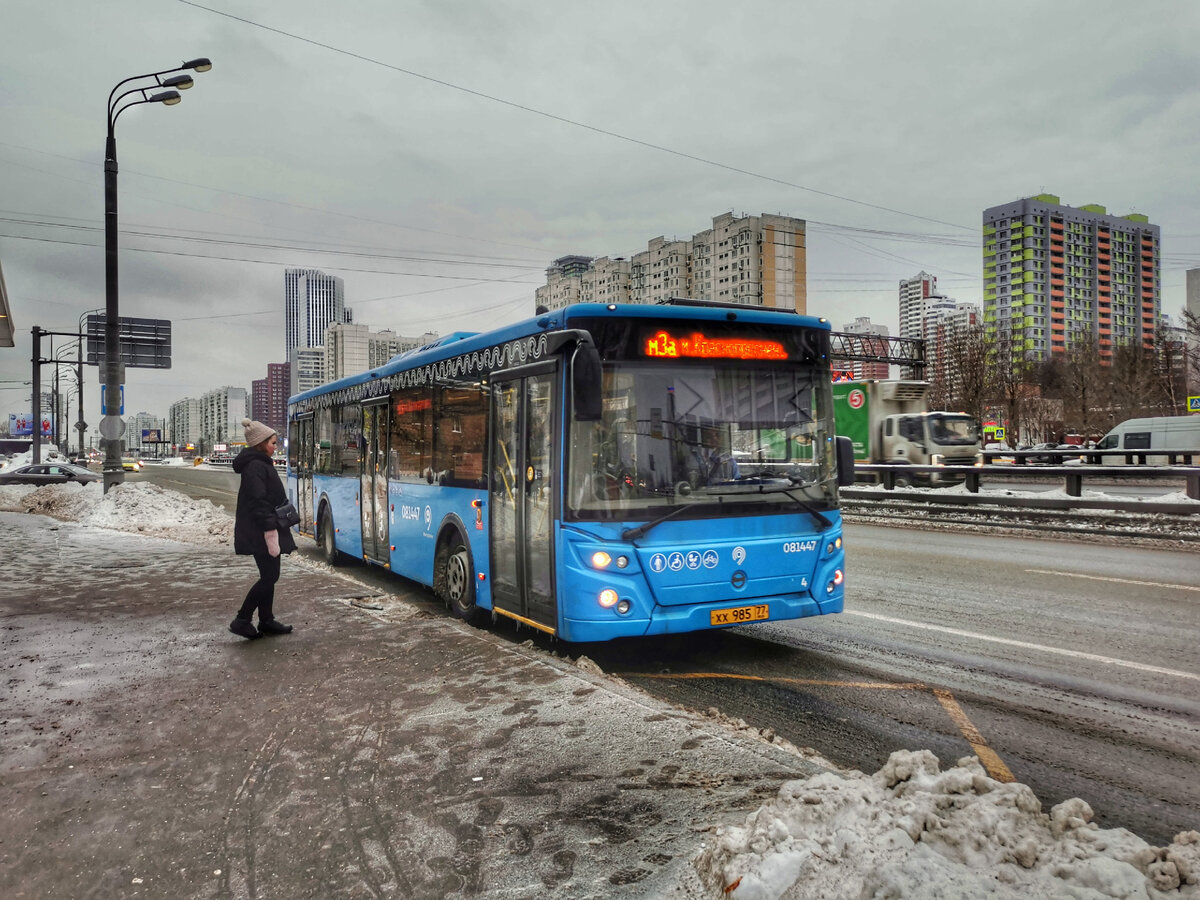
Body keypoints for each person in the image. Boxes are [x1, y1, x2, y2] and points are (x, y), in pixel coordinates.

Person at [230, 417, 296, 639]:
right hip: (261, 532)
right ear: (261, 444)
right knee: (269, 576)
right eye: (273, 443)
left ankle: (266, 620)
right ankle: (242, 619)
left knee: (269, 575)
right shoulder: (256, 467)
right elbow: (259, 503)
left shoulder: (258, 464)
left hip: (261, 529)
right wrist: (270, 531)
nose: (275, 447)